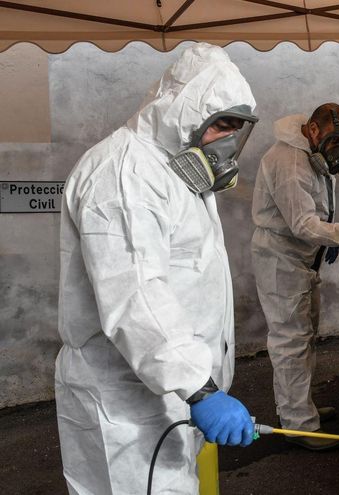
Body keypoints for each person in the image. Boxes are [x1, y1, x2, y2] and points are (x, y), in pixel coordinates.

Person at [56, 43, 258, 495]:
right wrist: (199, 388)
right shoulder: (125, 173)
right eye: (220, 124)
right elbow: (135, 294)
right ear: (181, 111)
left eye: (235, 129)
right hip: (126, 406)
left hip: (167, 395)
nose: (227, 141)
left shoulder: (172, 173)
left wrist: (197, 385)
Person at [251, 103, 339, 450]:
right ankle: (299, 425)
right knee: (291, 342)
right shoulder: (290, 162)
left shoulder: (309, 154)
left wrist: (326, 241)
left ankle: (297, 411)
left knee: (302, 338)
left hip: (300, 256)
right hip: (282, 260)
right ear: (314, 130)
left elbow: (315, 211)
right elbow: (302, 223)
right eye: (335, 141)